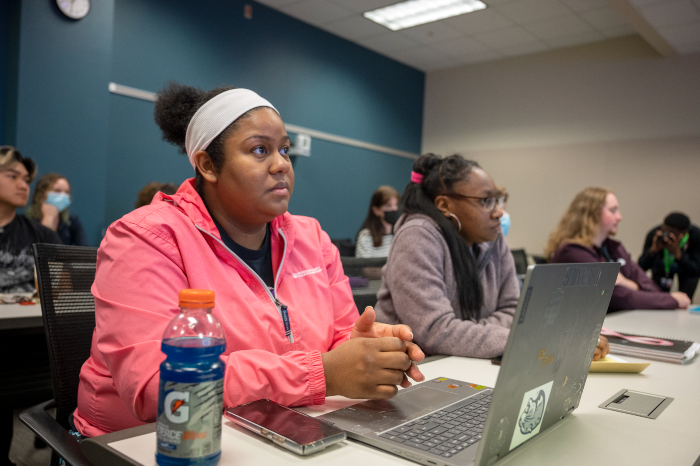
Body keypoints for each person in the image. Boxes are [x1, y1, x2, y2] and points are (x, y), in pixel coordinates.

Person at [73, 83, 425, 437]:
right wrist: (323, 373)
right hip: (149, 442)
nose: (281, 165)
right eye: (260, 150)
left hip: (277, 425)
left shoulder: (311, 238)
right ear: (208, 165)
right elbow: (158, 387)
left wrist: (366, 350)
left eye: (284, 150)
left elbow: (336, 341)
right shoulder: (145, 238)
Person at [546, 187, 690, 311]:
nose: (619, 217)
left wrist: (627, 283)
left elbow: (649, 285)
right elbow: (618, 298)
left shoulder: (612, 248)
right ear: (592, 214)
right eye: (613, 210)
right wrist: (672, 300)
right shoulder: (573, 252)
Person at [0, 146, 61, 293]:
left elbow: (63, 291)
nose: (23, 186)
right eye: (12, 176)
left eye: (26, 180)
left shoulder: (43, 235)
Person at [638, 213, 700, 300]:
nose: (667, 236)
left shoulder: (695, 236)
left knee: (686, 298)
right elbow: (641, 267)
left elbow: (696, 271)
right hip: (661, 268)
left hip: (687, 270)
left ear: (684, 233)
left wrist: (678, 255)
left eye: (672, 233)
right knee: (658, 298)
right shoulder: (655, 235)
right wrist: (653, 251)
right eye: (665, 231)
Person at [25, 173, 89, 246]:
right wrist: (48, 220)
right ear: (41, 195)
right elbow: (33, 251)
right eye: (57, 191)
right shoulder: (27, 223)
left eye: (67, 192)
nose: (63, 195)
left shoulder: (72, 221)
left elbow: (85, 248)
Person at [355, 186, 400, 258]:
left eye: (396, 205)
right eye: (388, 206)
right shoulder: (366, 236)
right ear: (376, 210)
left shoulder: (401, 233)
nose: (394, 209)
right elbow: (364, 267)